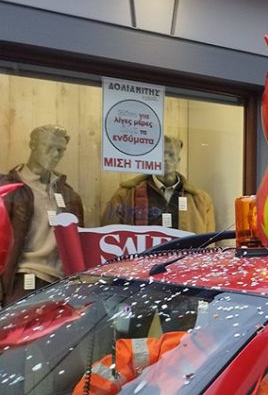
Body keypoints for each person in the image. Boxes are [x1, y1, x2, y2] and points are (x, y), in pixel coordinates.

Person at [0, 125, 83, 307]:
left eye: (60, 150)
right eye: (49, 147)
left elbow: (79, 245)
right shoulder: (7, 190)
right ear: (33, 145)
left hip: (61, 282)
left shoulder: (69, 195)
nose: (55, 154)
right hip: (20, 280)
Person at [102, 136, 216, 233]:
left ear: (178, 160)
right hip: (144, 252)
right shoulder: (125, 195)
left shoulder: (201, 200)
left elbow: (209, 242)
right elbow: (109, 235)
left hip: (185, 253)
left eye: (171, 155)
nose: (165, 159)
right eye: (161, 155)